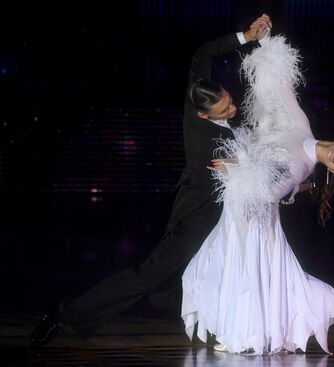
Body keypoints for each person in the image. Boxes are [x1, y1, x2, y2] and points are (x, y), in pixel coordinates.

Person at [29, 14, 274, 349]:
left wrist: (246, 36)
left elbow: (202, 55)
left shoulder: (199, 92)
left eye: (229, 100)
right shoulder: (204, 141)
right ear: (203, 115)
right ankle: (64, 314)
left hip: (227, 213)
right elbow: (240, 170)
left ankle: (226, 326)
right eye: (223, 110)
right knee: (150, 274)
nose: (231, 108)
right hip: (199, 215)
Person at [179, 32, 334, 355]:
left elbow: (270, 189)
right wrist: (263, 42)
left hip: (254, 215)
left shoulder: (303, 166)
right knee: (216, 268)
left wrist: (236, 168)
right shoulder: (301, 125)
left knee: (279, 285)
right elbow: (279, 85)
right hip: (240, 206)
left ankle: (244, 332)